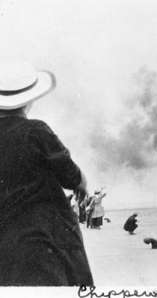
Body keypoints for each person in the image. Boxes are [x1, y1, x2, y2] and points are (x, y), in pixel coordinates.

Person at [0, 61, 93, 286]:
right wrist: (83, 184)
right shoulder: (36, 130)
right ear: (29, 100)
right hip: (45, 237)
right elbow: (71, 177)